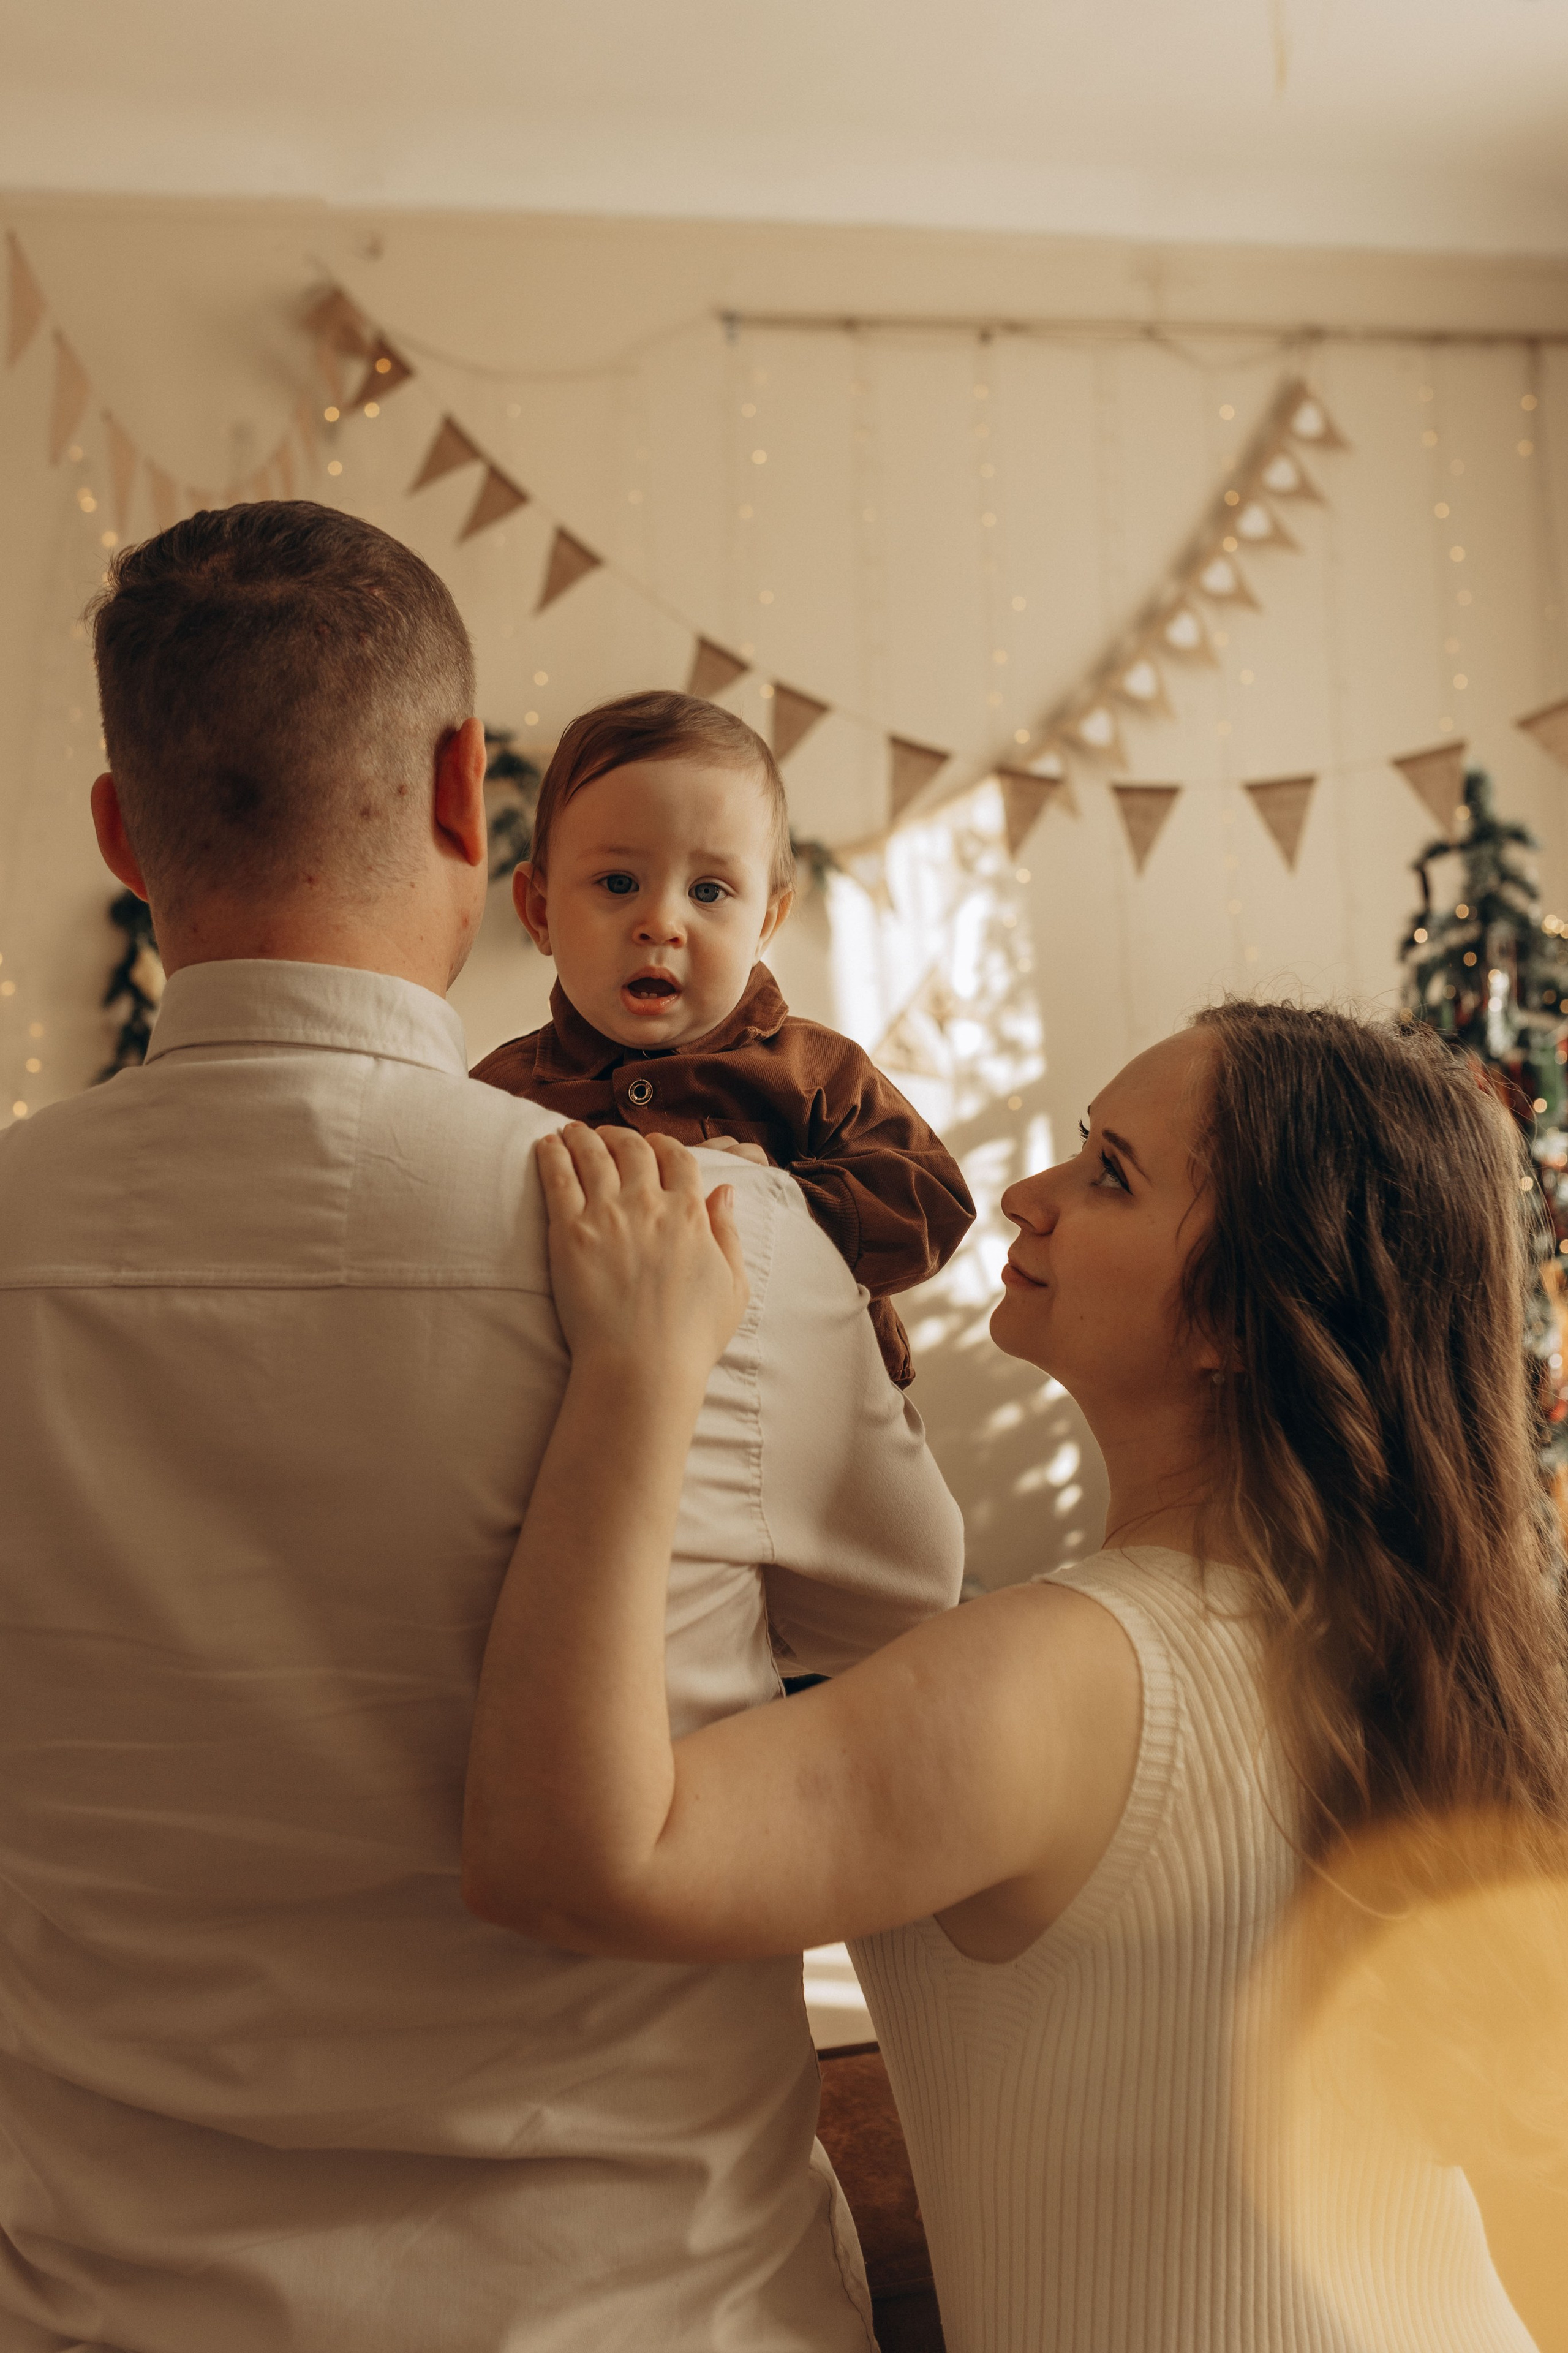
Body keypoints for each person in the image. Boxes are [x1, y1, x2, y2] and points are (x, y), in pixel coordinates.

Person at [0, 501, 965, 2352]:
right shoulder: (720, 1237)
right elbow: (911, 1681)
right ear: (472, 797)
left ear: (124, 832)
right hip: (646, 2305)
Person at [463, 1002, 1568, 2351]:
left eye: (1107, 1171)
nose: (1020, 1196)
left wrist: (638, 1367)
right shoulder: (1427, 1651)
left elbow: (562, 1857)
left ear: (1237, 1309)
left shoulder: (1065, 1673)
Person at [472, 690, 974, 1387]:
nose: (661, 922)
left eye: (708, 892)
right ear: (540, 910)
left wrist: (773, 1201)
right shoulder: (502, 1094)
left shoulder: (814, 1070)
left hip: (807, 1412)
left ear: (765, 924)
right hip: (587, 1414)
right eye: (618, 882)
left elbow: (931, 1202)